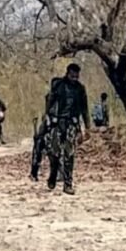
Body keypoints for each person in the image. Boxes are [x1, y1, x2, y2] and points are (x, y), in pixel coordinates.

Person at [44, 63, 90, 195]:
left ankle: (68, 184)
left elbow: (84, 109)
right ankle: (53, 175)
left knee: (69, 154)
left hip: (71, 124)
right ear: (67, 73)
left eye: (77, 76)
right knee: (54, 153)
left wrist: (87, 128)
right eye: (72, 75)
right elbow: (49, 101)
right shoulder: (58, 85)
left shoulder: (80, 89)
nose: (74, 78)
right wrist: (47, 117)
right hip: (57, 123)